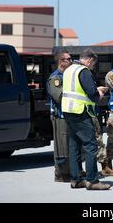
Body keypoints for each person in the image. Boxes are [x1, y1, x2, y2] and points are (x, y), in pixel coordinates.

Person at [61, 48, 111, 190]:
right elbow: (92, 94)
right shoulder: (84, 71)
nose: (92, 66)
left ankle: (76, 179)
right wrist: (99, 92)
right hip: (80, 111)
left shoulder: (69, 69)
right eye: (93, 64)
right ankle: (92, 181)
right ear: (89, 60)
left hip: (68, 110)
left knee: (74, 145)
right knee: (90, 145)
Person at [47, 51, 73, 182]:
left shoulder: (69, 76)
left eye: (70, 58)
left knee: (70, 145)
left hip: (70, 114)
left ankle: (71, 171)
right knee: (61, 146)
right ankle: (61, 174)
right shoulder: (55, 78)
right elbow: (59, 97)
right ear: (61, 61)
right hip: (60, 116)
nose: (70, 61)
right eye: (68, 59)